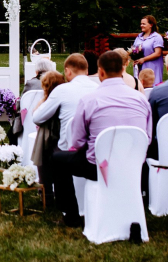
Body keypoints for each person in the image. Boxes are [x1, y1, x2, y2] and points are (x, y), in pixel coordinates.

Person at [51, 51, 152, 227]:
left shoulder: (89, 100)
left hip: (97, 167)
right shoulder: (141, 100)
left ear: (101, 72)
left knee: (58, 160)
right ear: (122, 69)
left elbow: (77, 142)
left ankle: (71, 216)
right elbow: (147, 138)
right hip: (133, 165)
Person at [33, 54, 98, 153]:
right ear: (87, 71)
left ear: (68, 71)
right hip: (94, 150)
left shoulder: (61, 90)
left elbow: (37, 118)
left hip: (66, 151)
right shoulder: (99, 88)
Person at [11, 57, 55, 143]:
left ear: (37, 71)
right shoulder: (55, 84)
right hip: (49, 122)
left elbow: (21, 103)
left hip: (29, 122)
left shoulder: (30, 84)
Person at [131, 15, 165, 86]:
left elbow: (158, 53)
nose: (141, 25)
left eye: (144, 24)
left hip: (152, 66)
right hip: (140, 65)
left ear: (151, 25)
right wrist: (135, 58)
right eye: (141, 24)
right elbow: (134, 49)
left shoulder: (157, 37)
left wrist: (144, 59)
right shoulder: (139, 37)